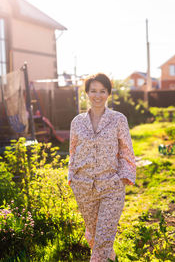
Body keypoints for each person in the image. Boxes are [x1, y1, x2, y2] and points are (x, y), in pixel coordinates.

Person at [68, 73, 136, 262]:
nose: (97, 95)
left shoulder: (118, 119)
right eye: (93, 91)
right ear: (87, 93)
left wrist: (122, 177)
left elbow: (126, 151)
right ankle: (110, 256)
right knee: (95, 233)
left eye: (102, 91)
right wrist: (72, 178)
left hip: (111, 186)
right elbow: (73, 152)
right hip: (83, 186)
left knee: (103, 236)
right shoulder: (77, 122)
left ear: (108, 93)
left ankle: (100, 257)